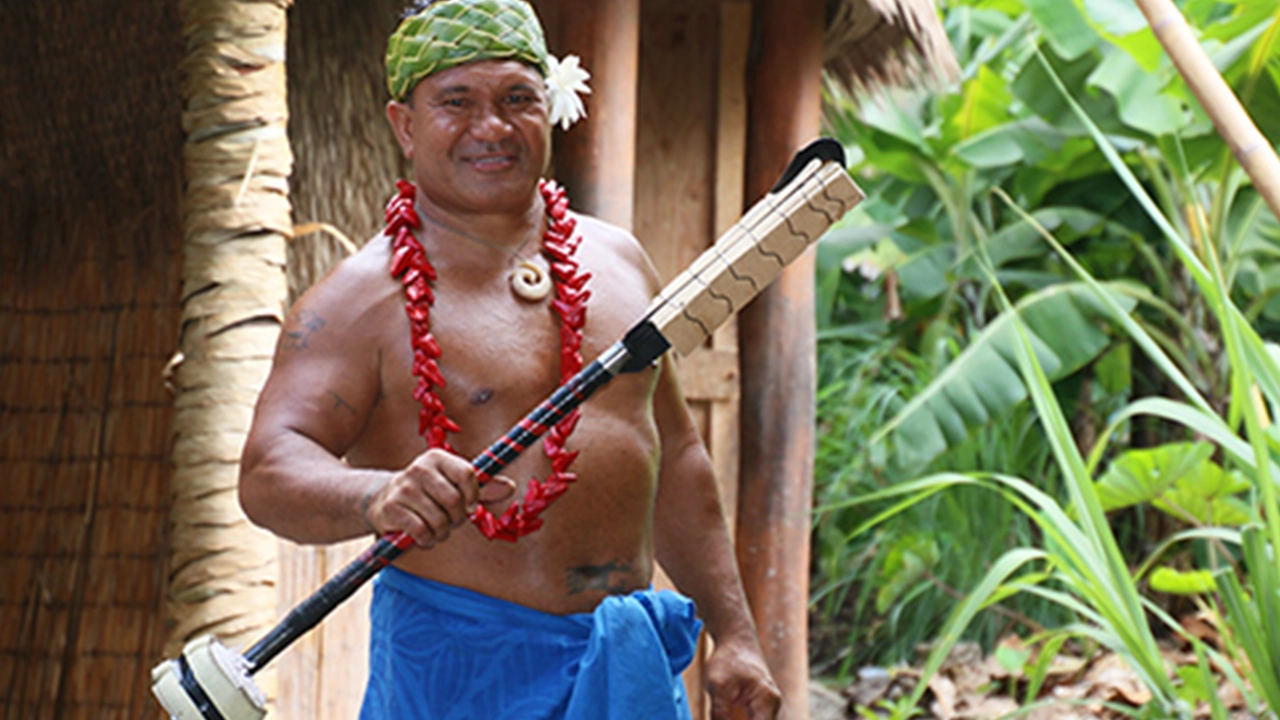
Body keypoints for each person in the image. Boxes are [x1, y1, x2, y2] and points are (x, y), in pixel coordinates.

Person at [238, 1, 782, 718]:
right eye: (456, 102)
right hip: (457, 673)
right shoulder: (357, 302)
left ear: (549, 106)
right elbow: (268, 472)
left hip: (625, 669)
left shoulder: (619, 261)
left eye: (517, 99)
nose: (490, 128)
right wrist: (379, 495)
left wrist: (735, 633)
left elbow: (675, 456)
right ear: (405, 125)